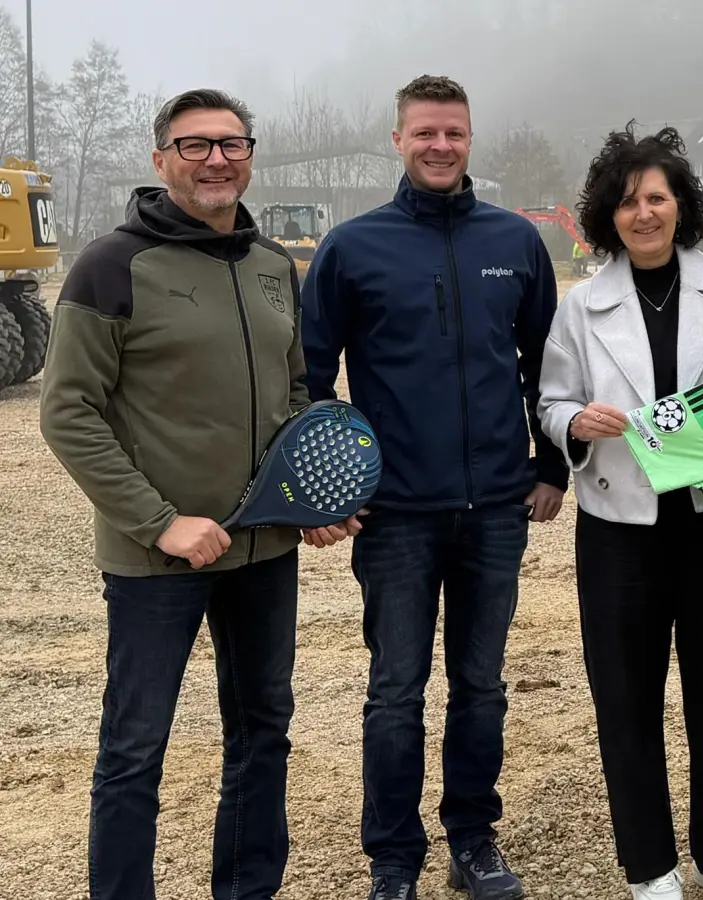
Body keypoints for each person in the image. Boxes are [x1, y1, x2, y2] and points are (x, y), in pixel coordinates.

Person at [38, 88, 355, 900]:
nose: (216, 159)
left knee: (262, 733)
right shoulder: (112, 264)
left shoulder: (273, 264)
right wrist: (160, 521)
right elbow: (68, 412)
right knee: (136, 747)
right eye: (195, 145)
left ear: (250, 154)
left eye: (231, 143)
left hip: (263, 551)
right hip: (157, 559)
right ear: (160, 160)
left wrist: (309, 502)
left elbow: (293, 397)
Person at [300, 74, 568, 900]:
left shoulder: (515, 242)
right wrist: (333, 487)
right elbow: (312, 379)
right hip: (396, 517)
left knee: (482, 687)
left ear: (470, 138)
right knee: (394, 691)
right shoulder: (352, 248)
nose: (440, 146)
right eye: (424, 133)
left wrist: (550, 465)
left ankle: (472, 838)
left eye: (453, 133)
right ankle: (392, 858)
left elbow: (546, 365)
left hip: (495, 508)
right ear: (398, 140)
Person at [537, 122, 703, 900]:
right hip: (620, 531)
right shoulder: (583, 306)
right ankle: (652, 871)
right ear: (608, 214)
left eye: (657, 197)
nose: (643, 213)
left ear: (682, 205)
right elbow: (551, 399)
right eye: (628, 201)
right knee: (627, 701)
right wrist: (573, 423)